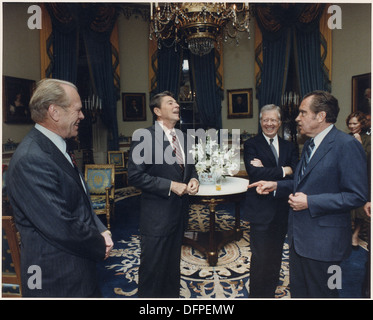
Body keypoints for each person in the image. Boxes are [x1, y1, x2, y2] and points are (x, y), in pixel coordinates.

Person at [248, 90, 368, 298]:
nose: (297, 118)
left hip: (327, 245)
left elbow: (356, 195)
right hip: (300, 240)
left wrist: (310, 202)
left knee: (326, 293)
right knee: (301, 292)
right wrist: (276, 185)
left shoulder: (346, 146)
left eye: (303, 113)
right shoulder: (309, 145)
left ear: (320, 116)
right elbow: (302, 182)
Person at [6, 78, 113, 297]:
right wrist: (98, 243)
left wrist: (101, 228)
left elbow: (80, 200)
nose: (82, 116)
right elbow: (61, 224)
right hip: (56, 277)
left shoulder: (56, 147)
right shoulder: (31, 159)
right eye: (78, 110)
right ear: (54, 112)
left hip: (77, 267)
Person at [128, 91, 199, 298]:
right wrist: (171, 186)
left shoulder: (185, 138)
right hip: (156, 218)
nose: (177, 105)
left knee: (171, 269)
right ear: (157, 111)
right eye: (171, 102)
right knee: (152, 270)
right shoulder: (144, 137)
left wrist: (194, 179)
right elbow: (135, 176)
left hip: (179, 215)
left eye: (176, 102)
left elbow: (190, 170)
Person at [243, 104, 299, 298]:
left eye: (273, 120)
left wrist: (270, 168)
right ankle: (258, 295)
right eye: (265, 120)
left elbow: (296, 175)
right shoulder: (251, 144)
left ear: (279, 122)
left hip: (283, 208)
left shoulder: (289, 146)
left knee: (276, 253)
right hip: (260, 208)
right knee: (260, 256)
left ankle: (271, 287)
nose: (269, 124)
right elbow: (255, 173)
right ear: (260, 122)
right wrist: (285, 170)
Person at [345, 111, 371, 248]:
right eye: (350, 123)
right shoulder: (345, 137)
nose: (352, 126)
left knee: (361, 210)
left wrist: (360, 144)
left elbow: (367, 160)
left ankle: (355, 234)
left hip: (362, 178)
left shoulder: (368, 139)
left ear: (361, 123)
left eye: (355, 123)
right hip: (347, 177)